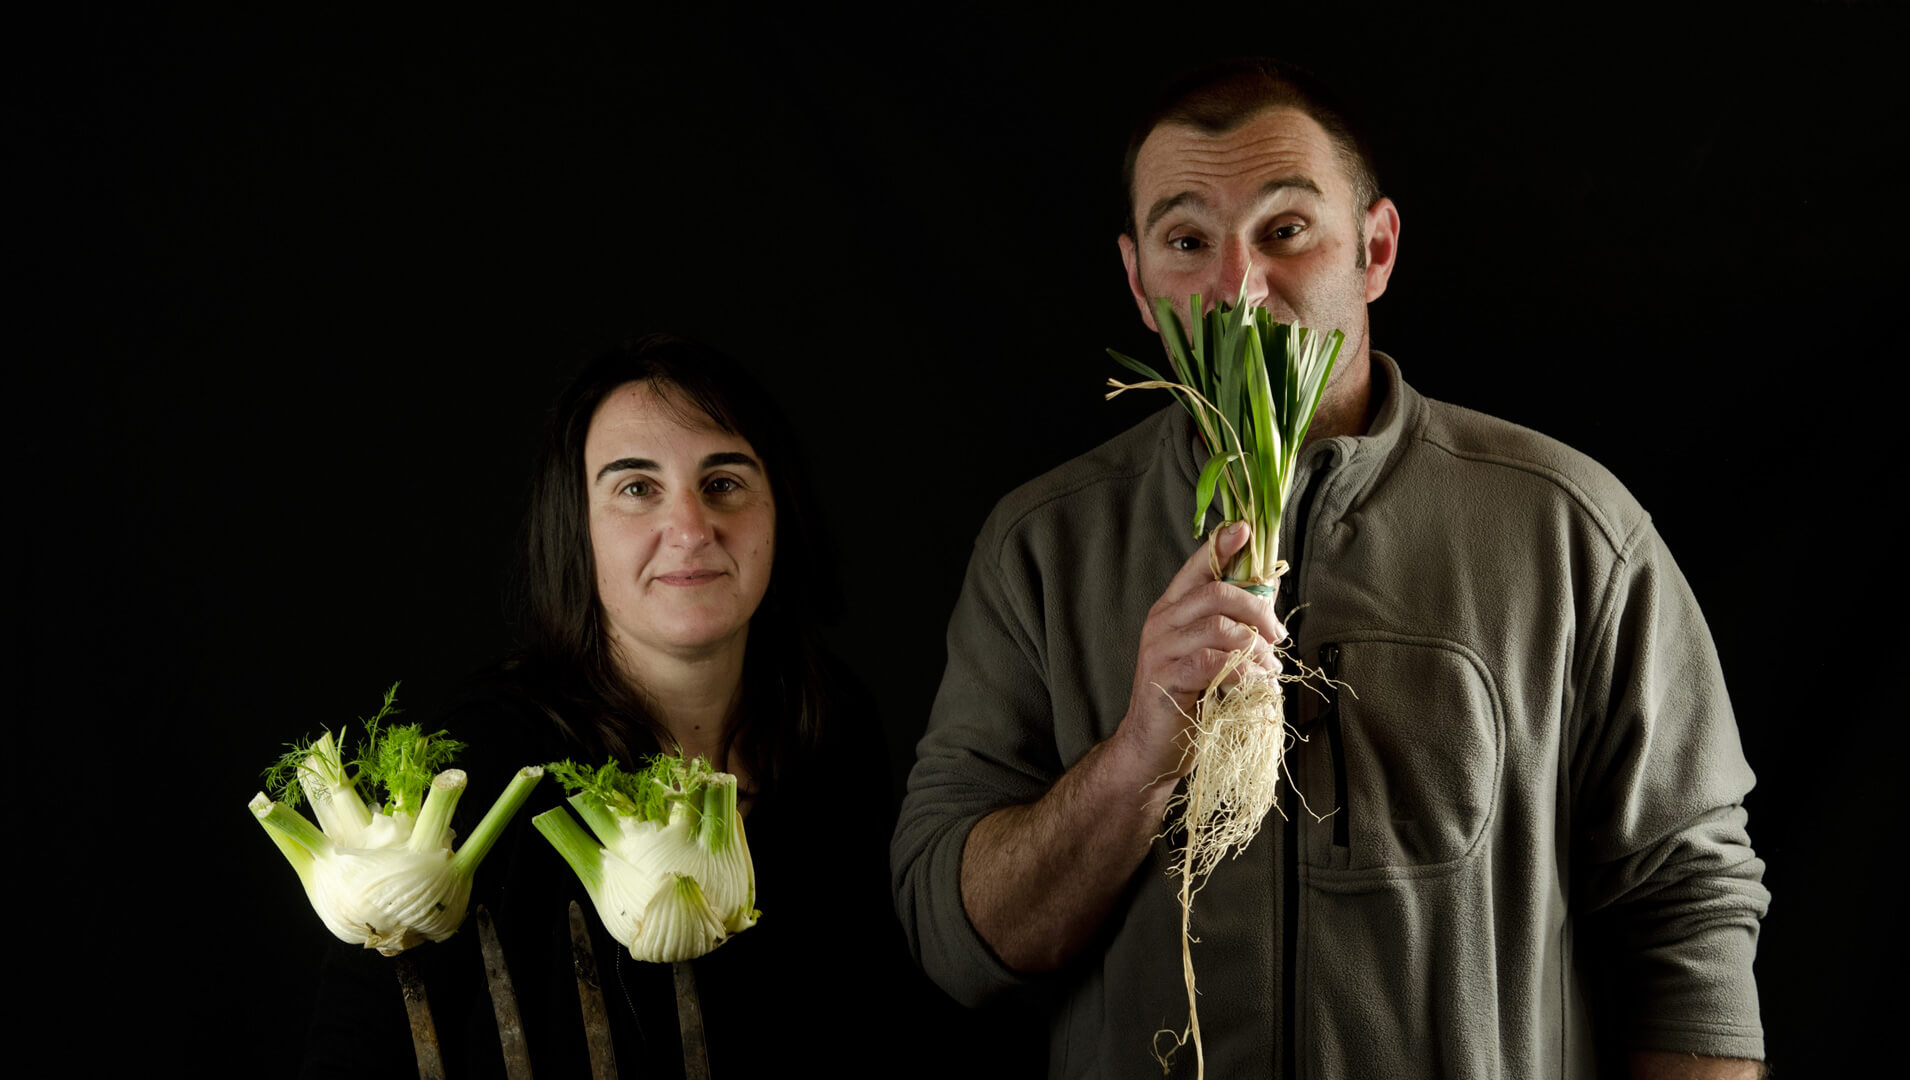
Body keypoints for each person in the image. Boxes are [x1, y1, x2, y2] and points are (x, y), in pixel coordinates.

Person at [892, 59, 1768, 1079]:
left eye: (1285, 229)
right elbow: (956, 940)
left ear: (1374, 249)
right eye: (1186, 242)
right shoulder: (1039, 545)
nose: (1237, 290)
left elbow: (1689, 911)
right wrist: (1140, 751)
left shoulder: (1571, 529)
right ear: (1137, 284)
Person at [300, 335, 918, 1077]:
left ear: (778, 511)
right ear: (576, 528)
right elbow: (356, 1050)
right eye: (636, 488)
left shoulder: (831, 730)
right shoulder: (490, 761)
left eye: (724, 481)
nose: (691, 528)